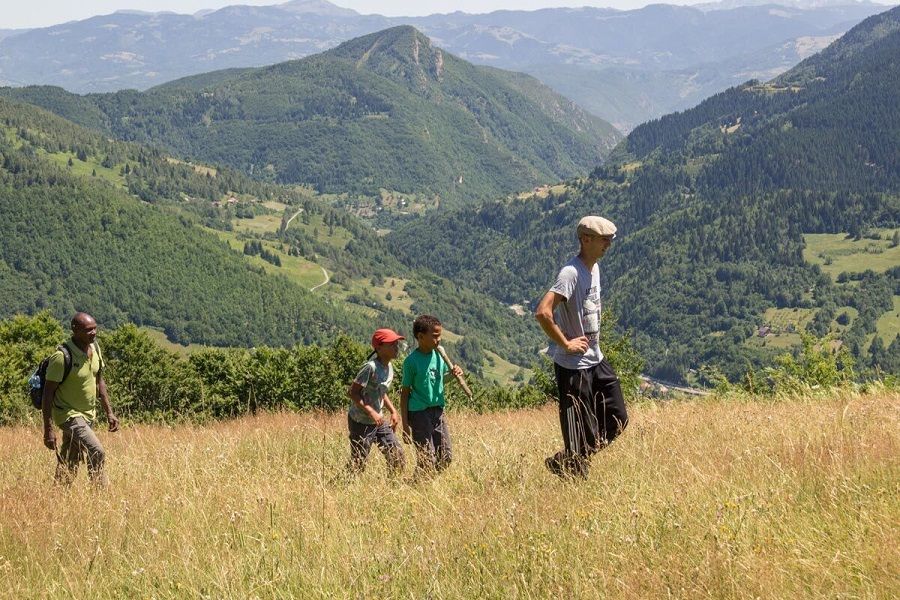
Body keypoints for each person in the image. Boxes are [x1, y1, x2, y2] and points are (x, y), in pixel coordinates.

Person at [535, 216, 628, 478]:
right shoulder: (571, 273)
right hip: (573, 367)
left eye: (610, 239)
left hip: (596, 360)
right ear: (586, 240)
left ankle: (565, 460)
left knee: (618, 418)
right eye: (604, 239)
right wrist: (565, 343)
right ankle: (574, 471)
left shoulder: (594, 268)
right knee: (578, 432)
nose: (608, 244)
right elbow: (543, 312)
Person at [42, 312, 119, 486]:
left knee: (70, 459)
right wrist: (48, 429)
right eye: (88, 330)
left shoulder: (95, 349)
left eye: (95, 328)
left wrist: (109, 413)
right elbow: (48, 394)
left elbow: (99, 382)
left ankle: (58, 497)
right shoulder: (61, 357)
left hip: (88, 414)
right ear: (75, 331)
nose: (93, 333)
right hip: (68, 415)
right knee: (96, 450)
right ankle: (100, 496)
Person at [400, 315, 463, 477]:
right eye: (435, 336)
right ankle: (418, 486)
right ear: (420, 337)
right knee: (426, 459)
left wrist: (453, 375)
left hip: (438, 412)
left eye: (440, 335)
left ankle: (424, 481)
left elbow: (440, 381)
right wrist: (405, 424)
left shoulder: (439, 356)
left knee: (446, 457)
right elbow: (405, 394)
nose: (439, 340)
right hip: (419, 413)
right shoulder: (411, 362)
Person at [346, 328, 406, 476]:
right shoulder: (370, 368)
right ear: (379, 347)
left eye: (396, 344)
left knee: (397, 455)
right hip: (360, 422)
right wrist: (372, 412)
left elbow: (381, 392)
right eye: (392, 344)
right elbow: (352, 393)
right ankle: (337, 488)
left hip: (378, 421)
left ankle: (392, 488)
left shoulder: (389, 366)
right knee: (358, 464)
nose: (396, 347)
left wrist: (393, 411)